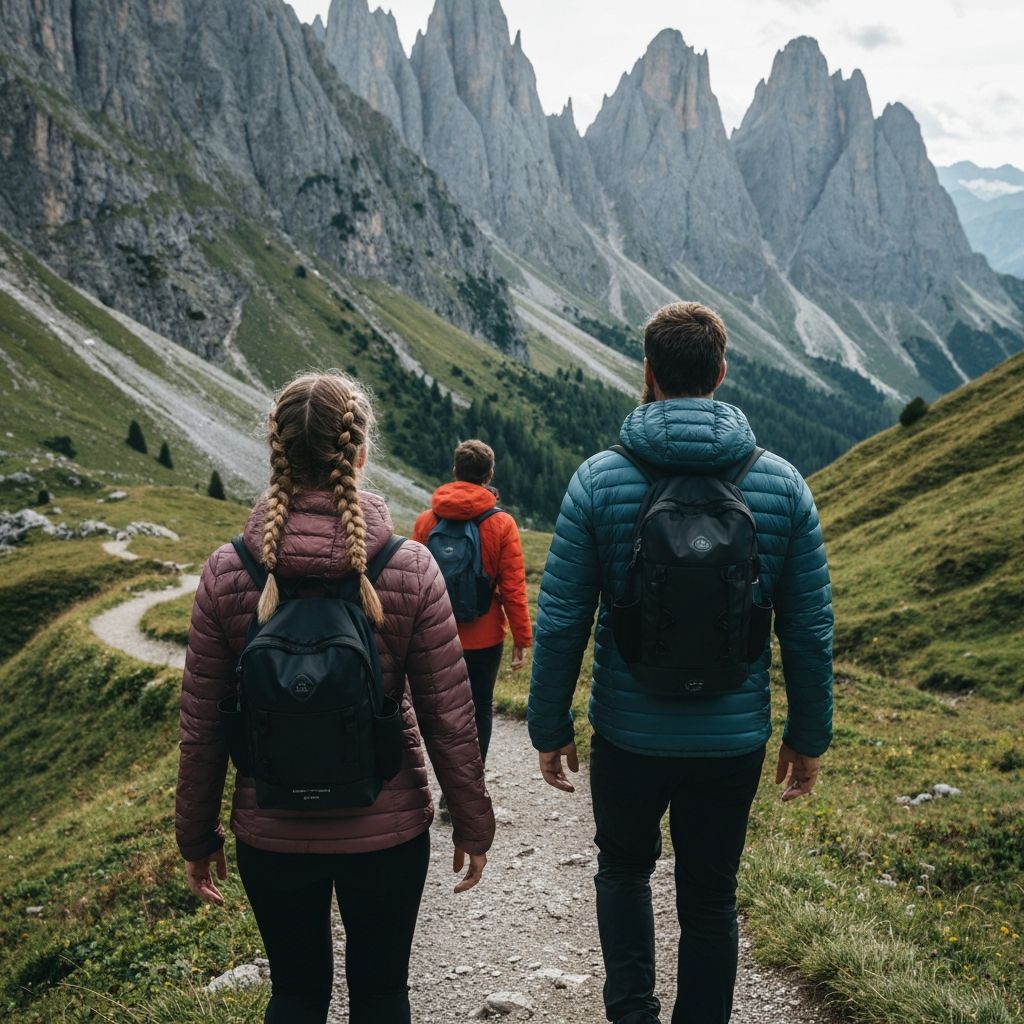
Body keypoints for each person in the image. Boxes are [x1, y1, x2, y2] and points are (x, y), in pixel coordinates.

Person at [527, 302, 834, 1024]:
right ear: (720, 373)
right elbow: (809, 628)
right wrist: (808, 735)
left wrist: (549, 725)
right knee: (710, 897)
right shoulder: (782, 483)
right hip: (732, 740)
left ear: (650, 374)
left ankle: (631, 1013)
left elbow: (564, 618)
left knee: (624, 871)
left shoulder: (600, 481)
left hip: (630, 736)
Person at [175, 371, 495, 1024]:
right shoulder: (408, 566)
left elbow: (204, 725)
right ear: (360, 453)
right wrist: (472, 820)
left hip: (271, 829)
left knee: (294, 995)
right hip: (389, 826)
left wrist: (197, 834)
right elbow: (450, 720)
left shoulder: (229, 570)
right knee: (381, 996)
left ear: (277, 453)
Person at [413, 439, 532, 767]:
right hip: (485, 636)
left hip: (436, 634)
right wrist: (521, 640)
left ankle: (448, 785)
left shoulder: (426, 521)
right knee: (479, 707)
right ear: (489, 473)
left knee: (442, 711)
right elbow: (513, 590)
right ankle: (470, 786)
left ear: (455, 471)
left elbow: (414, 583)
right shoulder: (502, 524)